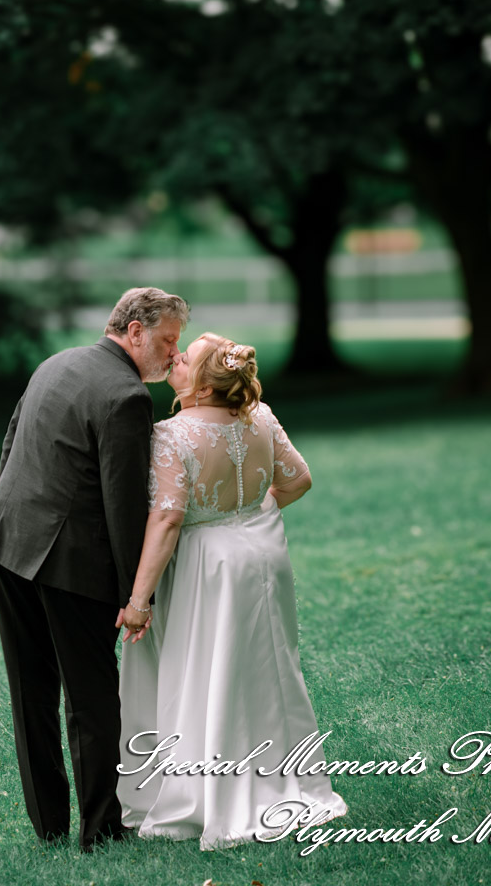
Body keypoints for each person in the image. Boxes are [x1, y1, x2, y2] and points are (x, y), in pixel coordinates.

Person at [0, 286, 189, 852]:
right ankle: (101, 832)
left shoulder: (57, 361)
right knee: (92, 699)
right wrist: (132, 596)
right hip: (69, 563)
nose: (173, 354)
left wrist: (11, 515)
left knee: (31, 690)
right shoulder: (128, 396)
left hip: (6, 540)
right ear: (136, 331)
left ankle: (48, 826)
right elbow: (123, 508)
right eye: (168, 341)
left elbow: (10, 444)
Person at [115, 333, 347, 850]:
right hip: (262, 555)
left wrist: (137, 602)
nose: (174, 359)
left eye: (185, 358)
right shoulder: (261, 417)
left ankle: (207, 795)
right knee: (265, 667)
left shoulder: (170, 435)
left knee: (205, 670)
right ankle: (284, 781)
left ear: (200, 384)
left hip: (206, 566)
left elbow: (169, 517)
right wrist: (248, 516)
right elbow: (298, 480)